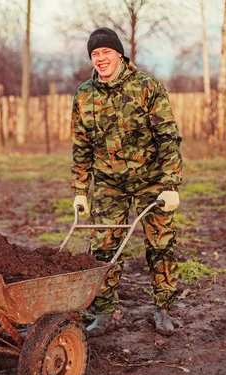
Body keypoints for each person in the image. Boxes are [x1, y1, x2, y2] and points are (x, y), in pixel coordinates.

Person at [70, 27, 183, 337]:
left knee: (161, 245)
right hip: (108, 183)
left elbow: (167, 137)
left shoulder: (147, 87)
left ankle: (163, 310)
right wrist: (81, 189)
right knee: (103, 247)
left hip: (150, 179)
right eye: (95, 54)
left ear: (119, 53)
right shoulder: (84, 95)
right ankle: (104, 314)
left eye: (106, 52)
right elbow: (81, 146)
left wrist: (171, 184)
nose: (101, 59)